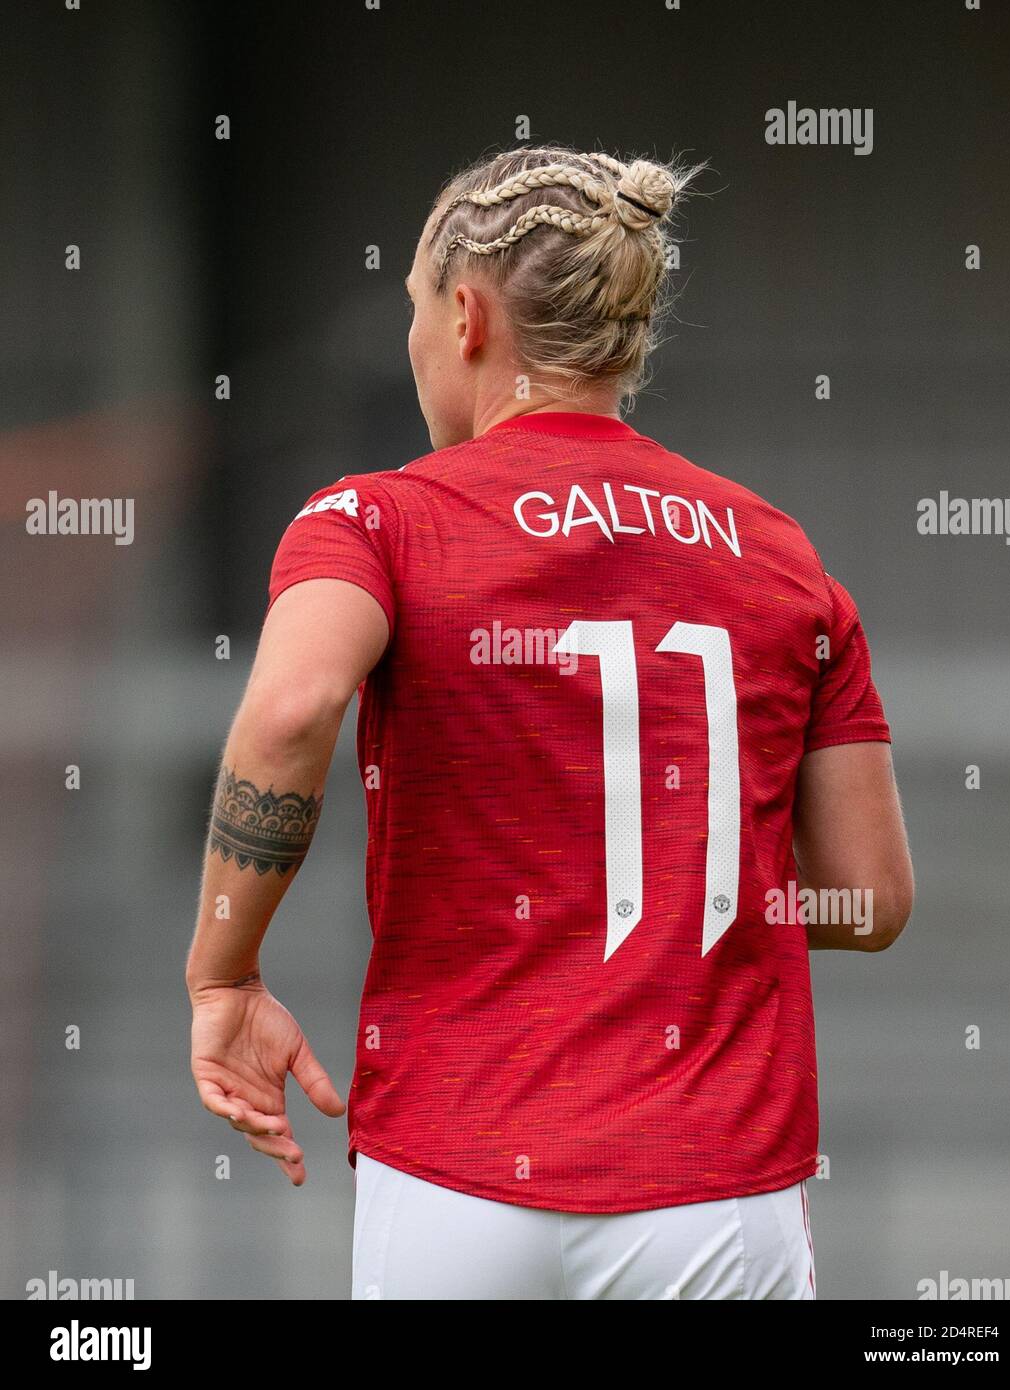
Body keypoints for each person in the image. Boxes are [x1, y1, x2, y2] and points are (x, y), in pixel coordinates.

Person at [186, 145, 914, 1300]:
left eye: (412, 313)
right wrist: (675, 887)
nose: (413, 342)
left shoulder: (375, 518)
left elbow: (288, 706)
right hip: (710, 1184)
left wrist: (221, 978)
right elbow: (867, 899)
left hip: (451, 1177)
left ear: (465, 317)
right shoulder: (780, 553)